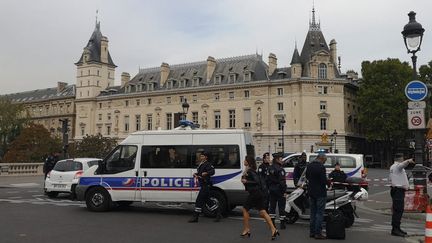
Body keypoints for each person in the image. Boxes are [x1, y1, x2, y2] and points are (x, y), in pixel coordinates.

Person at [241, 156, 279, 240]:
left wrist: (247, 181)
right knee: (262, 212)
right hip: (258, 193)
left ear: (248, 161)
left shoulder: (251, 171)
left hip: (255, 193)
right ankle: (273, 230)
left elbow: (257, 181)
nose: (244, 161)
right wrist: (245, 178)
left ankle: (247, 229)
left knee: (245, 209)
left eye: (245, 160)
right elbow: (244, 179)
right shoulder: (248, 170)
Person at [188, 151, 220, 223]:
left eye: (203, 156)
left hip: (206, 185)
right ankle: (218, 214)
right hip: (203, 184)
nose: (201, 157)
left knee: (198, 200)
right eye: (201, 156)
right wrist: (196, 174)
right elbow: (200, 173)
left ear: (206, 157)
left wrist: (206, 173)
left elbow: (212, 171)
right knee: (208, 201)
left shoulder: (208, 164)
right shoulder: (201, 164)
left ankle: (195, 217)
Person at [389, 153, 415, 237]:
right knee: (398, 211)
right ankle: (395, 229)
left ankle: (397, 228)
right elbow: (402, 165)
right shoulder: (397, 166)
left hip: (396, 190)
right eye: (403, 158)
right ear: (400, 159)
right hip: (398, 191)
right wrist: (408, 161)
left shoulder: (393, 167)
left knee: (397, 210)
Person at [306, 151, 328, 239]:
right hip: (320, 193)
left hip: (311, 192)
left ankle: (312, 232)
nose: (324, 162)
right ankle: (318, 233)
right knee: (319, 213)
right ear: (321, 159)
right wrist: (328, 181)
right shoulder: (321, 167)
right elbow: (323, 180)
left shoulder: (310, 165)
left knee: (312, 213)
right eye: (325, 160)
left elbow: (307, 177)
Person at [268, 152, 287, 230]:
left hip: (272, 190)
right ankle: (282, 224)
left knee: (272, 207)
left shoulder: (270, 168)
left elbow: (267, 180)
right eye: (281, 159)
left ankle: (272, 223)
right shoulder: (280, 169)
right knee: (281, 207)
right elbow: (282, 182)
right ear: (277, 159)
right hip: (279, 190)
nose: (282, 160)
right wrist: (284, 191)